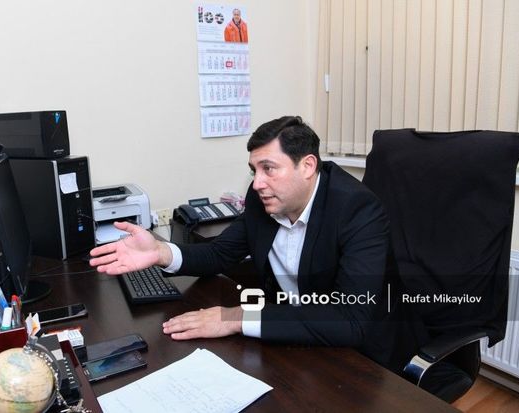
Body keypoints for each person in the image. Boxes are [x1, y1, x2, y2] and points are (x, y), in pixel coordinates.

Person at [89, 116, 421, 374]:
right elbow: (220, 253)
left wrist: (235, 317)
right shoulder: (263, 199)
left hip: (364, 360)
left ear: (307, 166)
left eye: (268, 169)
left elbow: (350, 320)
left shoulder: (358, 210)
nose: (257, 183)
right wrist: (161, 252)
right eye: (254, 170)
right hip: (294, 341)